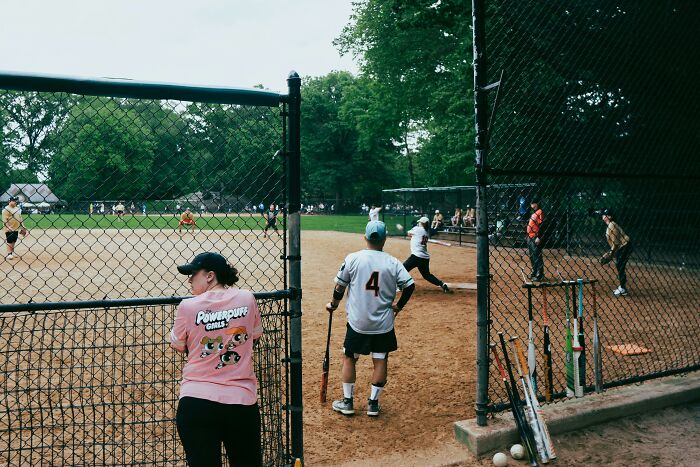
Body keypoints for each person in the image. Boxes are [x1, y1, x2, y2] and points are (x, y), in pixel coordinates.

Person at [170, 252, 263, 466]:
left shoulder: (187, 306)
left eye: (194, 274)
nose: (190, 279)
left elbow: (178, 345)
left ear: (210, 276)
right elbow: (255, 337)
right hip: (240, 401)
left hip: (196, 401)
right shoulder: (247, 298)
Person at [326, 221, 415, 417]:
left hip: (358, 322)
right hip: (383, 324)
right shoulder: (393, 262)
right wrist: (398, 306)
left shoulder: (353, 258)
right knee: (380, 359)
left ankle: (348, 402)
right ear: (384, 239)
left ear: (365, 238)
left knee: (350, 357)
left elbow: (340, 287)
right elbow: (410, 286)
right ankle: (373, 404)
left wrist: (333, 304)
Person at [404, 216, 450, 293]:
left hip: (416, 256)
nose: (418, 223)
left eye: (420, 222)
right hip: (424, 258)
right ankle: (442, 284)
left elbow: (408, 233)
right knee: (427, 275)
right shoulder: (426, 232)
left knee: (403, 270)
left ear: (422, 223)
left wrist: (410, 232)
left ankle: (400, 286)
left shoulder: (417, 229)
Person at [601, 209, 632, 296]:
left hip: (625, 246)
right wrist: (611, 252)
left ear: (610, 217)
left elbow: (616, 243)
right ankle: (623, 287)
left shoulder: (612, 225)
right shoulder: (610, 225)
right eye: (604, 215)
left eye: (606, 215)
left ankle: (623, 288)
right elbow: (616, 244)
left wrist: (611, 253)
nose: (603, 216)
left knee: (620, 265)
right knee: (619, 265)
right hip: (622, 247)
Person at [3, 196, 28, 260]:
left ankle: (12, 252)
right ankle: (9, 254)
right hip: (9, 228)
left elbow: (20, 218)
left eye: (15, 201)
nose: (15, 202)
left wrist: (23, 226)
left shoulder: (17, 209)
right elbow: (5, 219)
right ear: (9, 201)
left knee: (14, 240)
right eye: (13, 201)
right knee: (9, 241)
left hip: (16, 227)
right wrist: (8, 227)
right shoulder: (6, 209)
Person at [527, 198, 545, 281]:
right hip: (529, 237)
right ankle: (534, 271)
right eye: (531, 204)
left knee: (537, 255)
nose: (532, 206)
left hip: (535, 236)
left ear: (537, 203)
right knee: (531, 256)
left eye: (533, 203)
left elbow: (542, 225)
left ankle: (540, 274)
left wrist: (539, 237)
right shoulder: (534, 213)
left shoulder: (540, 212)